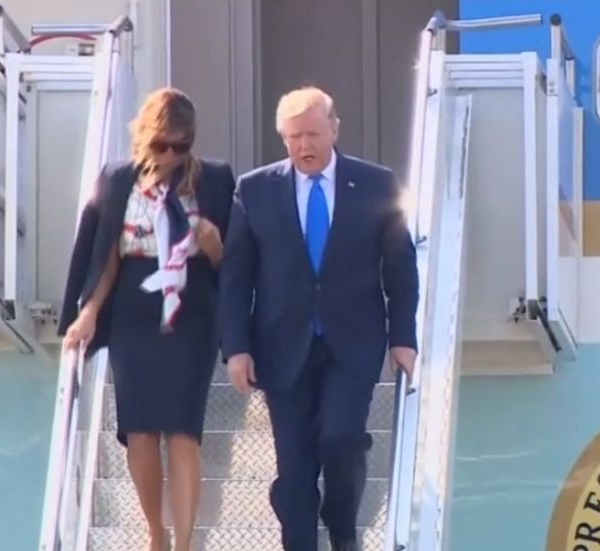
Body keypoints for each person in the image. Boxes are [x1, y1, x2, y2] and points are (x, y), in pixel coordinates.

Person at [219, 86, 419, 551]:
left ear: (334, 129)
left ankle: (343, 523)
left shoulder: (376, 184)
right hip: (282, 347)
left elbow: (400, 267)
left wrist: (403, 337)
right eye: (293, 137)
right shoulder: (254, 189)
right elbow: (235, 276)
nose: (304, 146)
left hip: (353, 343)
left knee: (342, 440)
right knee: (294, 468)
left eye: (312, 133)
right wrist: (237, 348)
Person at [59, 87, 236, 551]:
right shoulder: (118, 179)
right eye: (164, 145)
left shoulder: (214, 179)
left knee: (183, 430)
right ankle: (154, 532)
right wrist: (89, 314)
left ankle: (183, 542)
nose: (174, 155)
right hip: (134, 310)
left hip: (192, 309)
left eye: (183, 144)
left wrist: (215, 245)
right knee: (140, 430)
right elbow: (106, 257)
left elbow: (234, 265)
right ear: (144, 136)